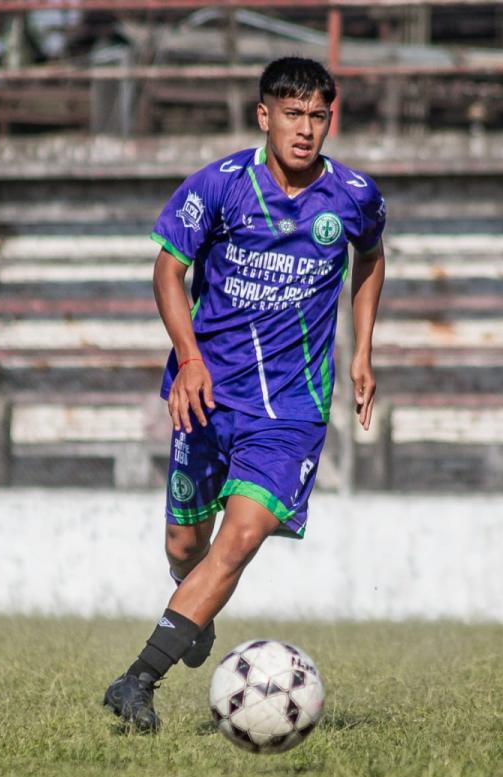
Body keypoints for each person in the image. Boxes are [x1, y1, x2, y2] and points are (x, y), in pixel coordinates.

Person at [102, 57, 387, 731]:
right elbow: (168, 272)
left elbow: (372, 256)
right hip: (206, 396)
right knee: (183, 545)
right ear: (265, 116)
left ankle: (138, 678)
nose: (306, 129)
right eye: (293, 114)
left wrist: (364, 352)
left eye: (319, 115)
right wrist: (191, 359)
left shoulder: (352, 194)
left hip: (292, 408)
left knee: (242, 534)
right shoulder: (220, 185)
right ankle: (191, 608)